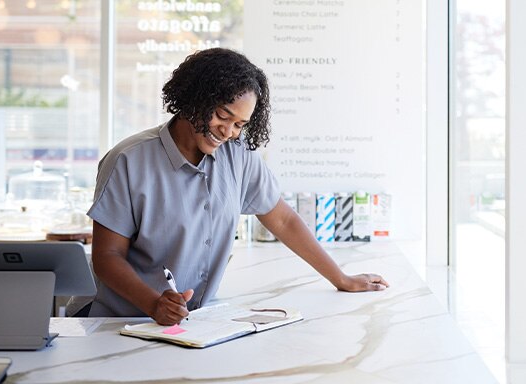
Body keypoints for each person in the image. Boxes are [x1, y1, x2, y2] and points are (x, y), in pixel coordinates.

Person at [85, 48, 389, 325]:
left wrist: (341, 279)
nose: (228, 131)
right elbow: (107, 257)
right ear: (194, 99)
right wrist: (154, 304)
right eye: (222, 115)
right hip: (123, 325)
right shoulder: (128, 160)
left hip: (195, 326)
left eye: (240, 124)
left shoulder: (238, 154)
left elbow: (282, 219)